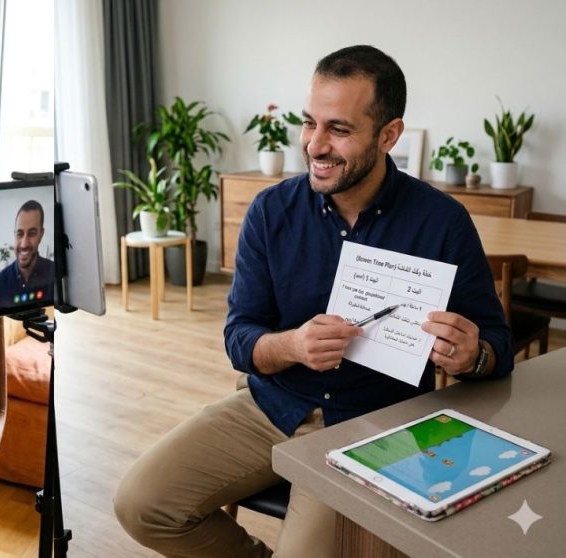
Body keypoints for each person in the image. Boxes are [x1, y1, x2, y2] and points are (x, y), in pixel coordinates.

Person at [114, 45, 512, 558]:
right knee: (140, 505)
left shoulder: (442, 222)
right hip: (273, 406)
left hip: (376, 428)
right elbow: (240, 339)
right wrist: (292, 346)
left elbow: (497, 344)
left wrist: (473, 354)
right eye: (309, 123)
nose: (315, 145)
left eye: (339, 129)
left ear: (389, 135)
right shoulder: (270, 212)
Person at [0, 199, 56, 309]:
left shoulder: (55, 274)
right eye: (19, 234)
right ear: (14, 235)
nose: (24, 244)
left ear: (41, 235)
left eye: (32, 233)